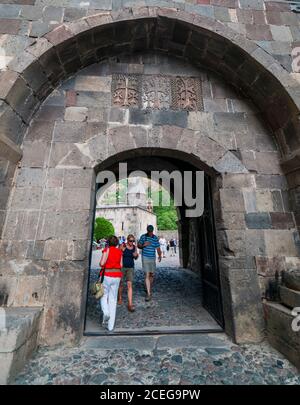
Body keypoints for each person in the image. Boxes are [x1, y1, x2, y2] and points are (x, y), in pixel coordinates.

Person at [99, 235, 123, 332]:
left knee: (104, 295)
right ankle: (110, 326)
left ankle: (106, 312)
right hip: (117, 276)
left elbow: (102, 263)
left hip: (107, 275)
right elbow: (121, 265)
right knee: (113, 299)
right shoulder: (120, 252)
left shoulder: (107, 250)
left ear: (108, 242)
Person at [138, 225, 162, 301]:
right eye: (149, 231)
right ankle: (148, 294)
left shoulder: (155, 238)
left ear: (152, 231)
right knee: (147, 274)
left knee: (152, 274)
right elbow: (138, 245)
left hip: (152, 258)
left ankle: (149, 288)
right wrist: (143, 245)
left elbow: (158, 248)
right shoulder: (143, 237)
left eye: (151, 231)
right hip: (145, 257)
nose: (150, 233)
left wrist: (160, 255)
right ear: (147, 230)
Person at [118, 234, 139, 312]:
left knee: (129, 285)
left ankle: (130, 304)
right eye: (130, 241)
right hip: (122, 267)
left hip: (130, 267)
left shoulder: (134, 247)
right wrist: (121, 251)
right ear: (127, 240)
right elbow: (117, 254)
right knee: (121, 283)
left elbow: (136, 257)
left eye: (133, 241)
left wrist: (136, 256)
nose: (132, 242)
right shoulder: (122, 246)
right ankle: (120, 297)